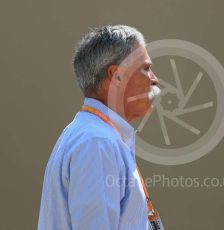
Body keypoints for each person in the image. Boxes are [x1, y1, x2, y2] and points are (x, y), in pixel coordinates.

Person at [38, 25, 162, 230]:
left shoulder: (94, 135)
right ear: (116, 76)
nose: (154, 80)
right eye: (146, 68)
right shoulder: (97, 142)